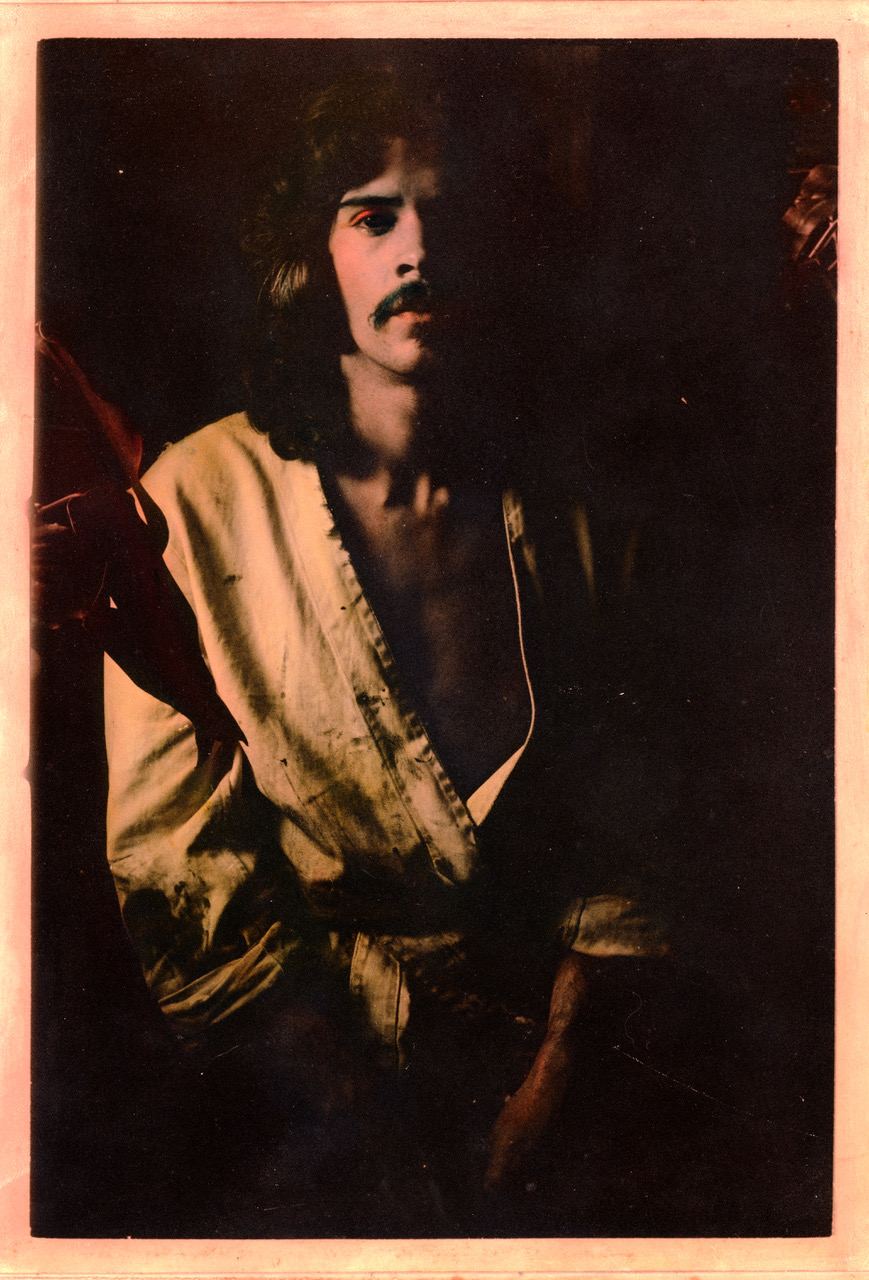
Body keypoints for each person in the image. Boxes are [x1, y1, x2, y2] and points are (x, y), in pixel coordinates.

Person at [103, 70, 672, 1236]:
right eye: (373, 215)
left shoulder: (578, 512)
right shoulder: (191, 504)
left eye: (452, 216)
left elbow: (636, 820)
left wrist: (558, 1068)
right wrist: (372, 1131)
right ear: (310, 256)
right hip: (310, 1104)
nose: (420, 249)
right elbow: (178, 866)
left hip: (574, 1075)